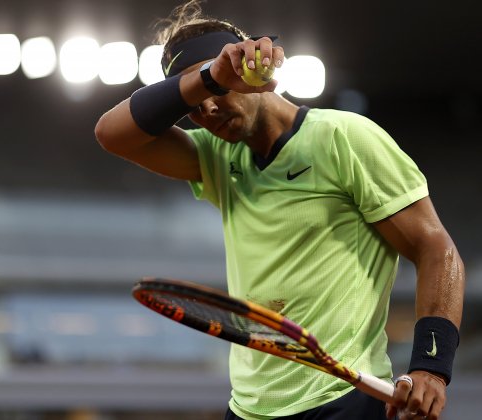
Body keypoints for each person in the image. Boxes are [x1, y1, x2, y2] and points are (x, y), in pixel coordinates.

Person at [94, 1, 465, 419]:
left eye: (221, 89)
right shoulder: (215, 157)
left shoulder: (343, 138)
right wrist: (209, 79)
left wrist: (431, 367)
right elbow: (111, 134)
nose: (208, 110)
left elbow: (436, 250)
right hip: (249, 409)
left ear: (251, 75)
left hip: (341, 400)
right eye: (195, 104)